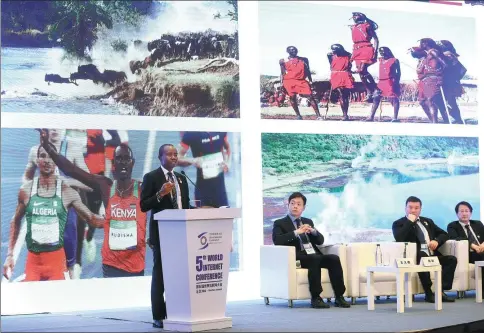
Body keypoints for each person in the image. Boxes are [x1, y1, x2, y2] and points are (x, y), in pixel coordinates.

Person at [38, 130, 148, 279]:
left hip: (136, 266)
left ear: (132, 162)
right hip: (112, 266)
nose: (123, 162)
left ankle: (88, 238)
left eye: (126, 159)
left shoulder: (144, 189)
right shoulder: (105, 186)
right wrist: (47, 146)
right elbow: (70, 169)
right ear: (113, 163)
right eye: (119, 159)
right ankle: (85, 245)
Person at [2, 145, 104, 282]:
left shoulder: (67, 192)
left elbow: (91, 218)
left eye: (51, 156)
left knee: (57, 301)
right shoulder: (26, 191)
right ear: (37, 160)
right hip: (34, 262)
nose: (47, 160)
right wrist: (10, 255)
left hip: (56, 261)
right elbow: (15, 220)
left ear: (56, 161)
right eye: (43, 156)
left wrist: (112, 218)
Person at [140, 144, 190, 329]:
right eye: (169, 154)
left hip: (182, 234)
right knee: (160, 275)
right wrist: (160, 194)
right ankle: (158, 316)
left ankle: (175, 311)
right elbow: (144, 205)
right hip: (162, 234)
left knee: (179, 275)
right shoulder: (151, 177)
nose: (174, 157)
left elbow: (184, 206)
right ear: (160, 157)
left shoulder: (181, 178)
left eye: (175, 154)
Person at [272, 192, 350, 309]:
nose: (295, 206)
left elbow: (320, 241)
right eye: (292, 203)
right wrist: (296, 232)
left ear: (303, 207)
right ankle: (316, 297)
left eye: (298, 204)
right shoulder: (280, 223)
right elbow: (277, 240)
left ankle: (339, 296)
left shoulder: (308, 221)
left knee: (333, 259)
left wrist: (313, 231)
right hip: (297, 257)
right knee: (315, 258)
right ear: (288, 205)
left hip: (313, 255)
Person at [392, 196, 456, 303]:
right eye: (410, 207)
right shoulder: (399, 223)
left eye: (416, 208)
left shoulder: (427, 221)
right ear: (405, 208)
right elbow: (399, 238)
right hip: (415, 257)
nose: (413, 210)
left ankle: (440, 290)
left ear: (420, 209)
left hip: (432, 254)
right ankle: (428, 293)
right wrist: (410, 222)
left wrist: (436, 241)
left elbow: (444, 234)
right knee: (422, 256)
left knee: (451, 259)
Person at [177, 132, 230, 208]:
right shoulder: (191, 133)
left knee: (226, 218)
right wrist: (193, 160)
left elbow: (226, 148)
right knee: (205, 218)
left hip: (220, 189)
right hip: (203, 189)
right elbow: (176, 158)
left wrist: (227, 161)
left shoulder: (221, 129)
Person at [447, 201, 484, 291]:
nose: (464, 213)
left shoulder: (478, 224)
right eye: (461, 211)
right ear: (457, 213)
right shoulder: (452, 226)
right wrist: (473, 246)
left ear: (470, 213)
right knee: (480, 256)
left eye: (466, 211)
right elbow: (456, 238)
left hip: (482, 250)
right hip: (469, 254)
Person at [279, 46, 323, 120]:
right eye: (292, 50)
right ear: (288, 51)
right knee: (292, 97)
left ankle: (318, 116)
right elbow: (282, 73)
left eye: (295, 49)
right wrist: (281, 83)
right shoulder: (283, 61)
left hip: (301, 81)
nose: (294, 51)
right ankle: (298, 115)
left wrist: (310, 80)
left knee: (310, 96)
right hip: (289, 81)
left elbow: (308, 71)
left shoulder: (304, 59)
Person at [417, 38, 450, 124]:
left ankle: (435, 123)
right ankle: (434, 121)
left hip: (433, 79)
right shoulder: (427, 55)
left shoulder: (433, 52)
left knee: (430, 100)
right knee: (423, 101)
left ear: (426, 44)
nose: (419, 45)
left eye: (421, 43)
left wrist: (440, 76)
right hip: (427, 80)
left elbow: (444, 64)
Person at [349, 12, 378, 102]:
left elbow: (376, 39)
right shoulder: (352, 27)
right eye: (353, 16)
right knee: (361, 73)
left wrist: (375, 51)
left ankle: (376, 89)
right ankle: (369, 91)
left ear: (361, 17)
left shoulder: (367, 26)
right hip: (356, 50)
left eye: (356, 15)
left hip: (366, 48)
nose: (354, 17)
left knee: (362, 69)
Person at [367, 47, 401, 122]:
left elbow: (398, 72)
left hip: (389, 82)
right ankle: (371, 117)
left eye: (383, 52)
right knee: (376, 98)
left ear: (388, 52)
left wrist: (396, 82)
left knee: (393, 98)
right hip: (380, 82)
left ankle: (395, 118)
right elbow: (372, 59)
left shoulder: (394, 60)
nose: (382, 53)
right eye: (380, 52)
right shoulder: (380, 60)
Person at [437, 40, 466, 124]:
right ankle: (456, 119)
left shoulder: (448, 55)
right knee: (450, 101)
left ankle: (457, 119)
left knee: (450, 102)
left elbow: (462, 70)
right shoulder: (448, 55)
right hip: (450, 82)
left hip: (449, 83)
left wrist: (454, 78)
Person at [327, 44, 354, 121]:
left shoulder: (348, 55)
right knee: (341, 94)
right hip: (336, 75)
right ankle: (345, 115)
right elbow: (331, 65)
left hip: (345, 74)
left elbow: (350, 65)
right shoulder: (330, 55)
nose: (332, 51)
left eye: (334, 50)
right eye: (332, 49)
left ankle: (345, 114)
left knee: (345, 95)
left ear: (339, 49)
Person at [409, 46, 433, 122]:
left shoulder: (427, 60)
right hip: (422, 82)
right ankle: (431, 118)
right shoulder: (420, 61)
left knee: (430, 101)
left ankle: (434, 120)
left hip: (428, 82)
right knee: (422, 102)